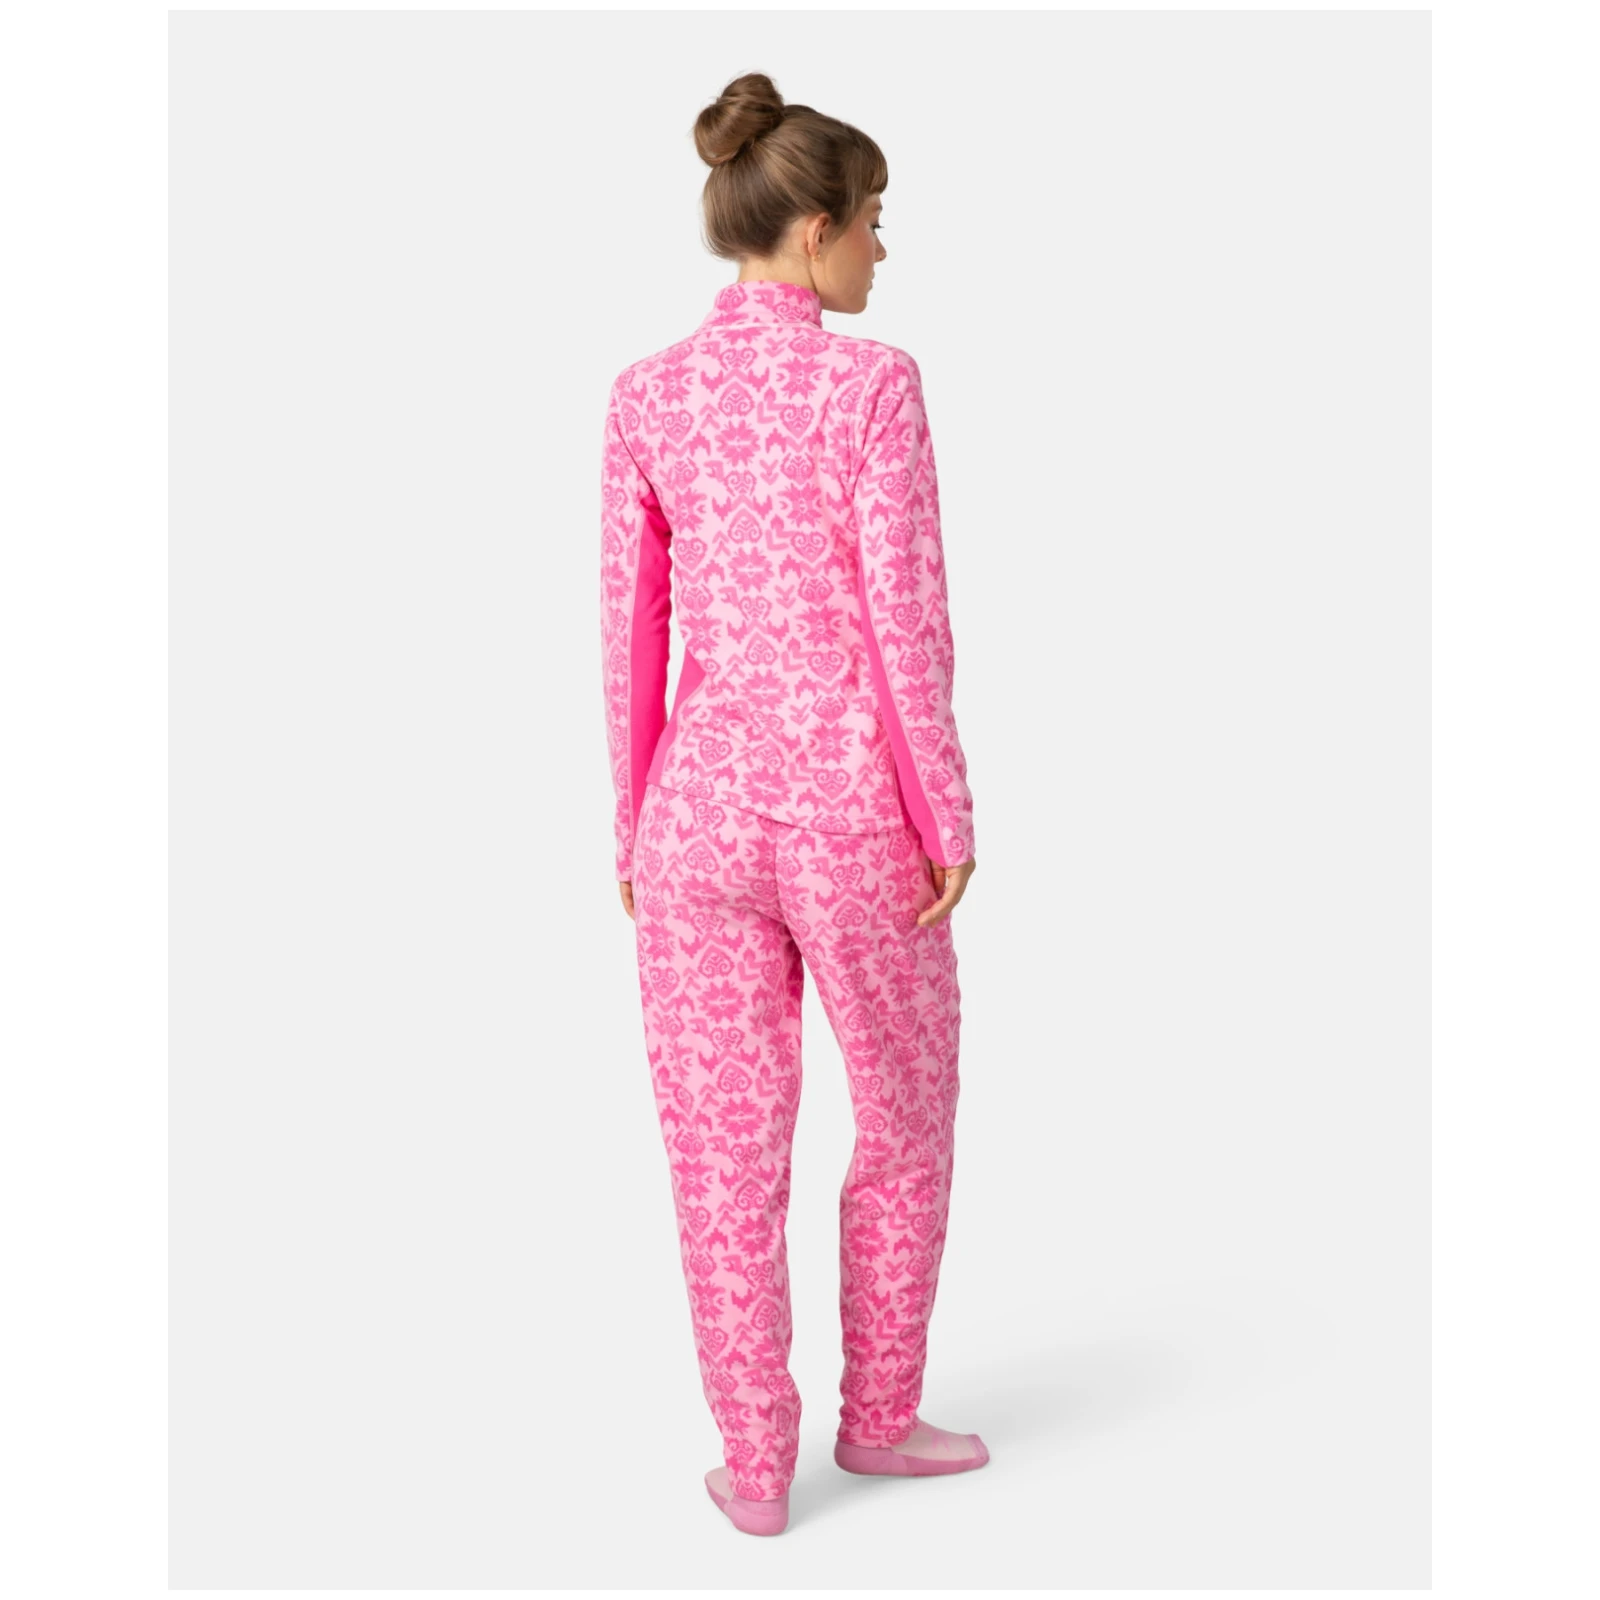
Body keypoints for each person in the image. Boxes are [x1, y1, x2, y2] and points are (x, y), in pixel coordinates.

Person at [599, 72, 985, 1537]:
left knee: (720, 1150)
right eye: (874, 222)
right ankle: (876, 1419)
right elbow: (905, 619)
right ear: (814, 230)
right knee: (906, 1113)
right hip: (849, 817)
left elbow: (630, 629)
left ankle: (755, 1465)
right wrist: (945, 817)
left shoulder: (647, 395)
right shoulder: (870, 386)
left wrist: (630, 824)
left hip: (692, 821)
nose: (884, 249)